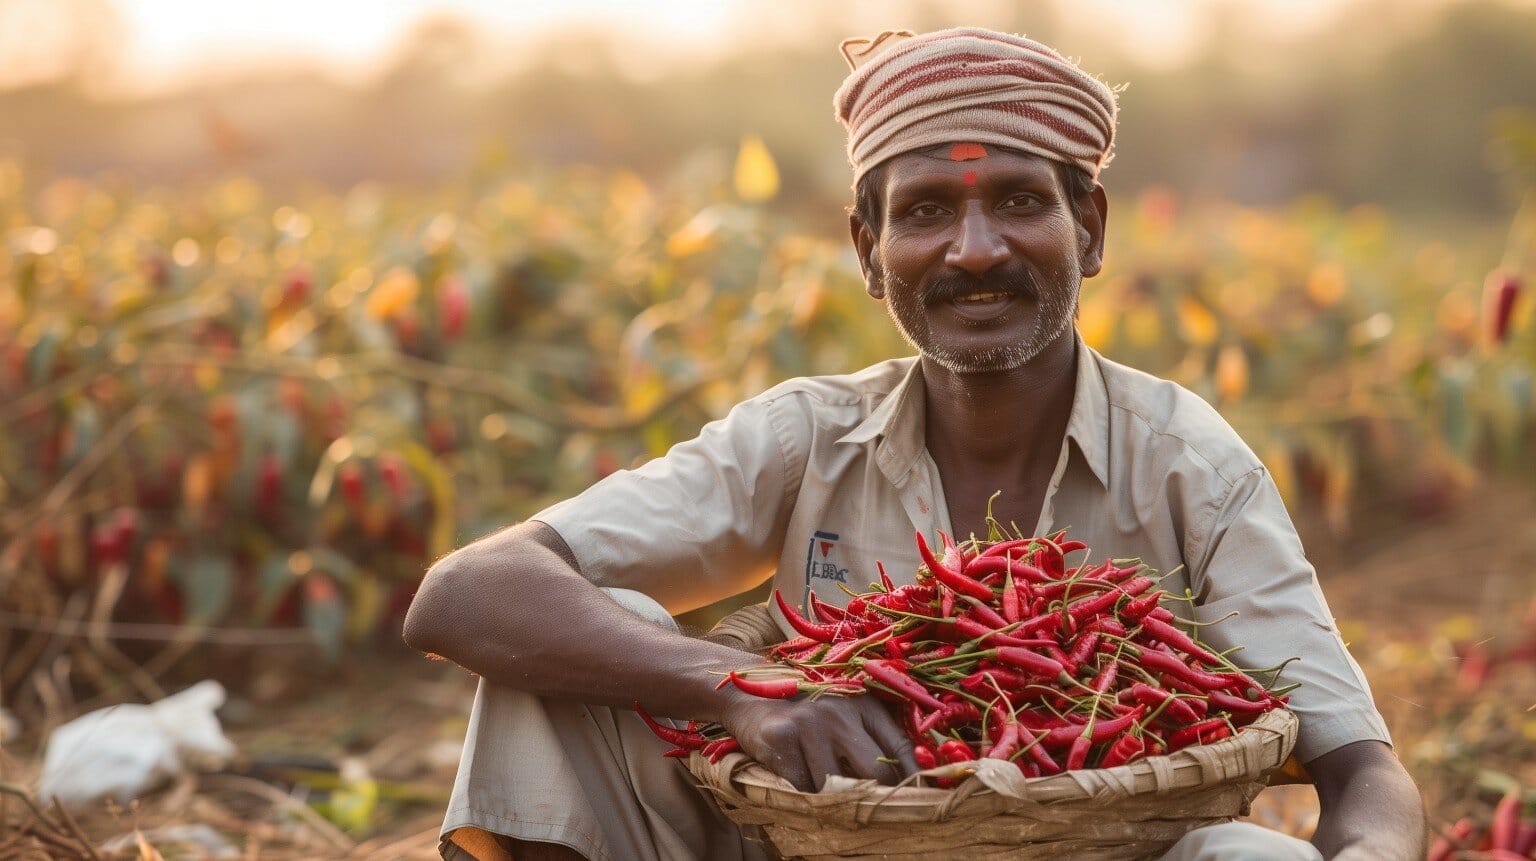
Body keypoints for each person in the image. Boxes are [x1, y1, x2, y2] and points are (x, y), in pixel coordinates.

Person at [404, 27, 1425, 861]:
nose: (974, 251)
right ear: (867, 250)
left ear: (1094, 231)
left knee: (1256, 860)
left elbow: (1359, 768)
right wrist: (745, 691)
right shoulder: (808, 436)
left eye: (1021, 202)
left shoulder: (1188, 463)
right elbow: (465, 592)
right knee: (579, 643)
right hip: (821, 851)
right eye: (927, 211)